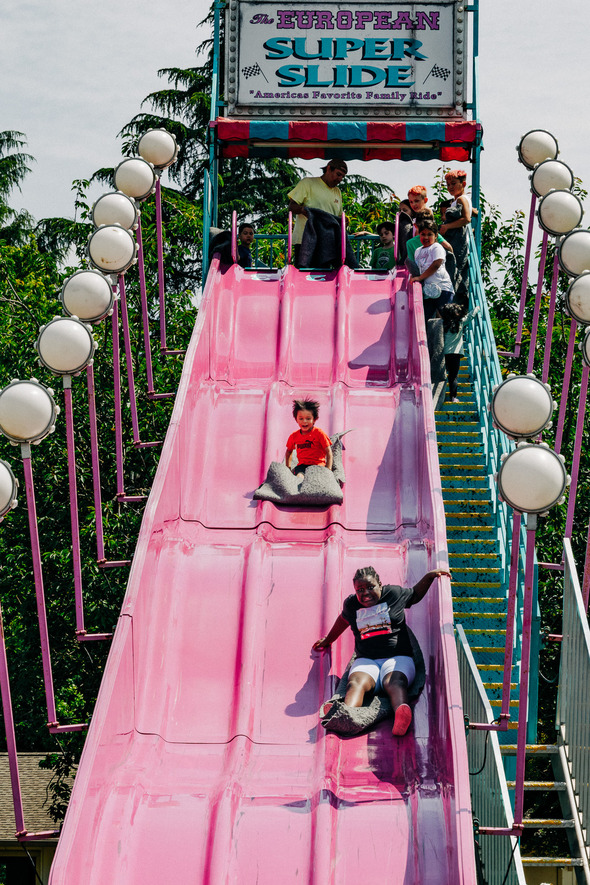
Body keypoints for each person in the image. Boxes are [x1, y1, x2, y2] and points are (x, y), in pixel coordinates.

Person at [312, 565, 451, 736]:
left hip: (397, 657)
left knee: (393, 682)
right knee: (355, 683)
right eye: (360, 589)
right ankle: (346, 715)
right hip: (367, 659)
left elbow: (414, 595)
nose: (365, 593)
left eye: (370, 587)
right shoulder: (352, 604)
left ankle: (401, 714)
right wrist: (328, 640)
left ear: (380, 584)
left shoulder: (393, 594)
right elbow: (343, 621)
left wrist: (429, 576)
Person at [287, 160, 347, 267]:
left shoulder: (337, 191)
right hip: (305, 241)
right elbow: (291, 206)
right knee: (303, 277)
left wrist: (343, 221)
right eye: (338, 174)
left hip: (327, 243)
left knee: (323, 278)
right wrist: (304, 211)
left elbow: (337, 217)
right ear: (328, 169)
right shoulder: (307, 183)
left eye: (342, 177)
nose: (340, 179)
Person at [439, 170, 473, 307]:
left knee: (454, 268)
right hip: (456, 238)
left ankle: (454, 303)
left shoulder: (461, 199)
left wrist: (447, 227)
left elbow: (466, 218)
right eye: (448, 185)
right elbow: (472, 212)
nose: (450, 187)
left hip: (457, 239)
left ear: (463, 183)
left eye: (453, 183)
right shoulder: (459, 199)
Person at [409, 220, 455, 320]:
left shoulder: (436, 247)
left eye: (430, 234)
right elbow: (418, 268)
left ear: (436, 236)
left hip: (442, 288)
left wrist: (420, 277)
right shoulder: (418, 251)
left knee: (447, 318)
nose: (426, 237)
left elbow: (436, 264)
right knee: (427, 319)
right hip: (428, 292)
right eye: (423, 234)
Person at [439, 302, 480, 402]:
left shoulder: (441, 324)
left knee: (442, 376)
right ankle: (453, 397)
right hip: (456, 354)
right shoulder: (460, 323)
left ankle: (439, 396)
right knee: (453, 377)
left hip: (444, 353)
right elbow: (470, 316)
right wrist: (478, 308)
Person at [285, 399, 333, 477]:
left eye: (308, 418)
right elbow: (288, 452)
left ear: (314, 419)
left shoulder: (319, 433)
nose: (304, 421)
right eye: (301, 418)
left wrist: (328, 469)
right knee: (299, 476)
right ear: (296, 419)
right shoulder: (294, 436)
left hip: (318, 466)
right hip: (302, 467)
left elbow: (329, 452)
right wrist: (288, 468)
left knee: (315, 477)